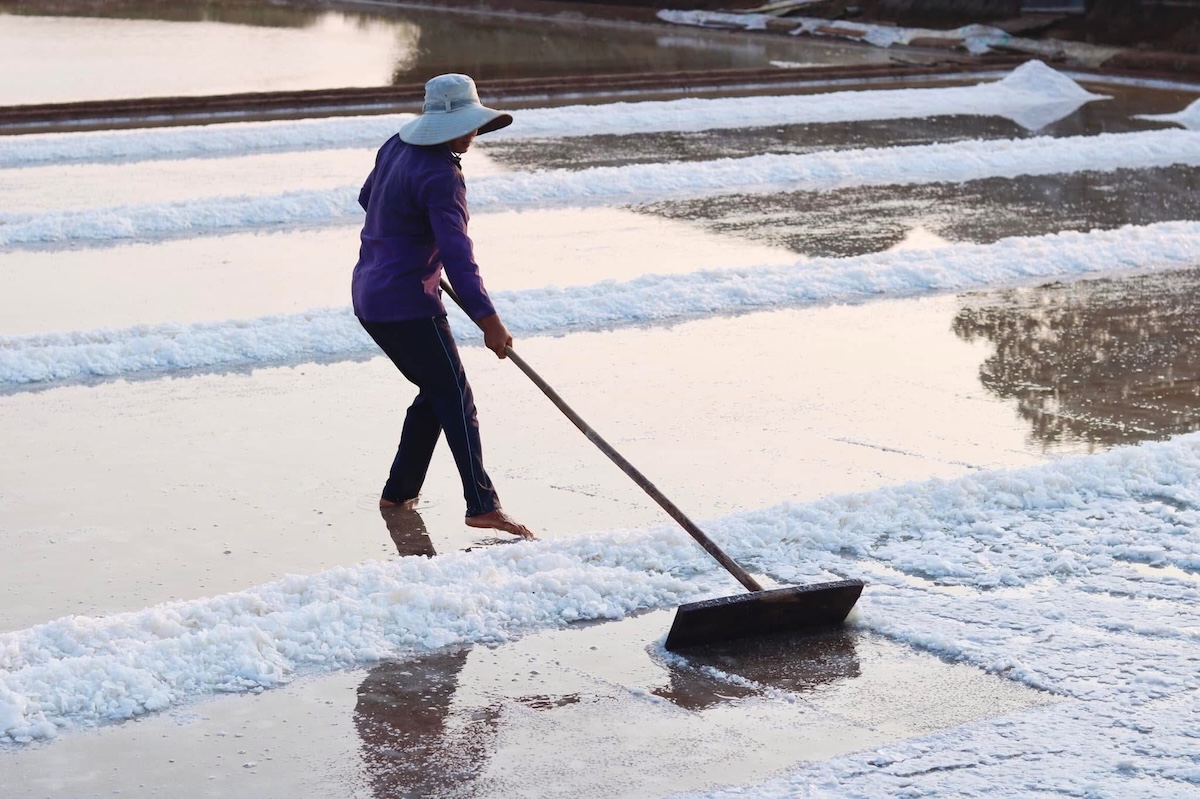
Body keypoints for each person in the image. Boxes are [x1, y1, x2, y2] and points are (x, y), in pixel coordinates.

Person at [353, 73, 533, 540]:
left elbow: (368, 198)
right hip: (407, 304)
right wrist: (490, 322)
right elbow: (459, 255)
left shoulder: (395, 145)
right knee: (455, 395)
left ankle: (398, 492)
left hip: (369, 294)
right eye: (467, 125)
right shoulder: (442, 175)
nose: (473, 133)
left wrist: (408, 238)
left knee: (435, 392)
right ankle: (483, 505)